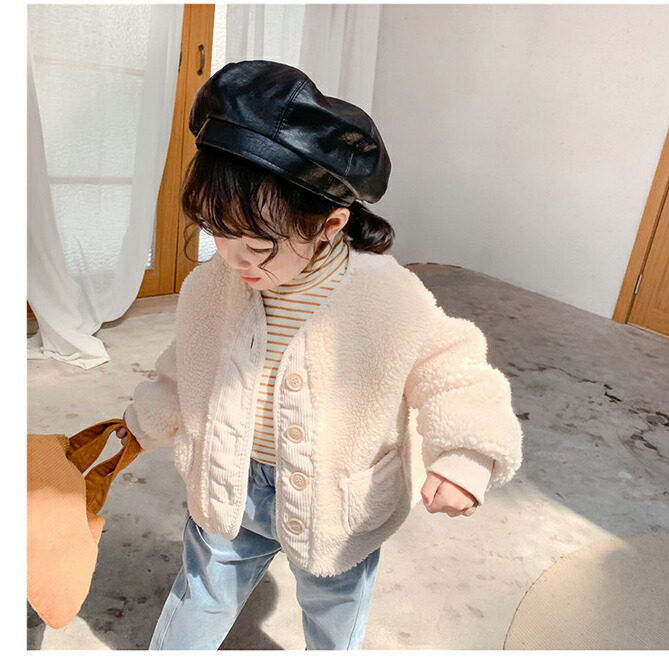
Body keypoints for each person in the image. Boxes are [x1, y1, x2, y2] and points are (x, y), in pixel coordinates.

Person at [116, 59, 523, 651]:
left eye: (259, 245)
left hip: (337, 502)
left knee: (334, 610)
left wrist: (465, 455)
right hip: (227, 479)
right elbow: (186, 364)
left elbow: (455, 372)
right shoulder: (212, 285)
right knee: (202, 593)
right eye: (217, 233)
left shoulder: (387, 296)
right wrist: (141, 421)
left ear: (330, 224)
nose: (233, 259)